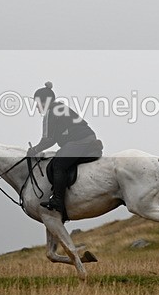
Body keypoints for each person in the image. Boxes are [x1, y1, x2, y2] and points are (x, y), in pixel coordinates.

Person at [26, 82, 103, 216]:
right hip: (86, 138)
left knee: (58, 164)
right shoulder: (59, 108)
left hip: (79, 141)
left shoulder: (50, 113)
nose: (36, 106)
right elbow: (52, 139)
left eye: (37, 103)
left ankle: (58, 201)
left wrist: (34, 150)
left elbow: (48, 140)